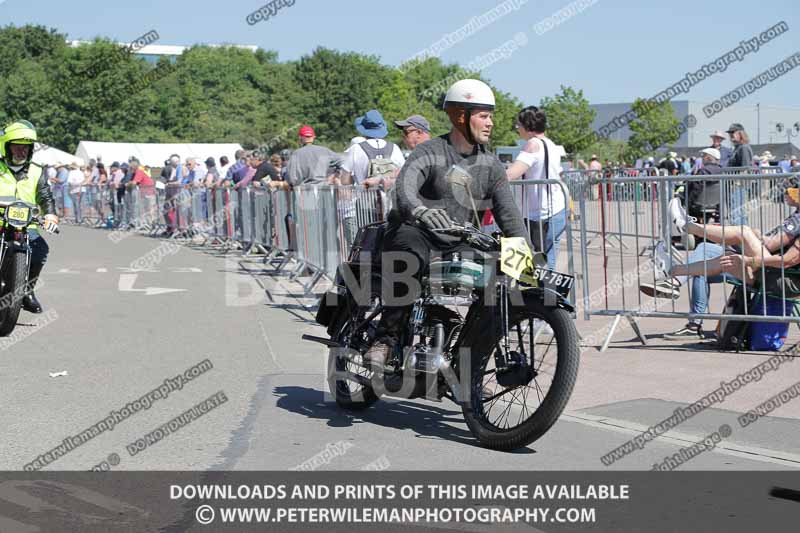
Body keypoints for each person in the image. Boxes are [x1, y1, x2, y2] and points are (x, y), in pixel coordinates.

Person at [364, 79, 529, 367]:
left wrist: (526, 257)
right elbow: (403, 189)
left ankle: (469, 365)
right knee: (409, 254)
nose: (490, 123)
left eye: (491, 116)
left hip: (458, 240)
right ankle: (386, 340)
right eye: (483, 115)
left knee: (500, 276)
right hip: (416, 231)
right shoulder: (430, 151)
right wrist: (419, 211)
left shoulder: (491, 166)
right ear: (460, 116)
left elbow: (510, 216)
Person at [642, 176, 800, 339]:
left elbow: (784, 257)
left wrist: (749, 257)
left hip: (780, 279)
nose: (787, 193)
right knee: (709, 250)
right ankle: (672, 273)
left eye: (792, 190)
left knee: (742, 232)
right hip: (772, 273)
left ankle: (686, 227)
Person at [0, 120, 59, 313]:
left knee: (40, 250)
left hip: (26, 225)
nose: (21, 151)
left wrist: (50, 215)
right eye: (17, 147)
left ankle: (27, 291)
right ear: (6, 147)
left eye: (25, 147)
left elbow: (45, 195)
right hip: (0, 221)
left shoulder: (36, 170)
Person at [504, 106, 567, 271]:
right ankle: (551, 296)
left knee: (531, 269)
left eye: (519, 124)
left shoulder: (532, 144)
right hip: (555, 209)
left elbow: (511, 175)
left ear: (528, 125)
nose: (517, 128)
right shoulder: (551, 144)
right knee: (546, 265)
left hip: (539, 214)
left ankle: (544, 296)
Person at [339, 110, 405, 191]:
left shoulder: (356, 149)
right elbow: (404, 174)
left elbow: (345, 180)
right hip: (390, 200)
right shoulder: (394, 148)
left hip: (364, 199)